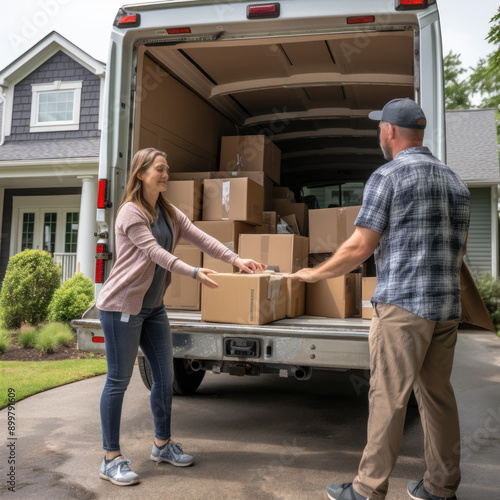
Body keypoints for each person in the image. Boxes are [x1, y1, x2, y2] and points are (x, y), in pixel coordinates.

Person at [287, 98, 470, 500]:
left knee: (388, 397)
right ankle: (441, 488)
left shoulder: (387, 176)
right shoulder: (455, 180)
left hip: (403, 307)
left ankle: (367, 490)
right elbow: (460, 249)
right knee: (438, 398)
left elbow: (359, 247)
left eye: (379, 127)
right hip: (445, 308)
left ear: (389, 131)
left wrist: (312, 274)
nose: (379, 133)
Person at [96, 147, 265, 486]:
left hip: (153, 306)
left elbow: (201, 237)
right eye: (159, 168)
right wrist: (193, 272)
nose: (165, 174)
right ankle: (110, 458)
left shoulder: (168, 211)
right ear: (141, 173)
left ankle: (162, 445)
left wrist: (235, 259)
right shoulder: (130, 213)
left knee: (164, 377)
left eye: (167, 168)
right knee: (118, 381)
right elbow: (156, 253)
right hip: (121, 307)